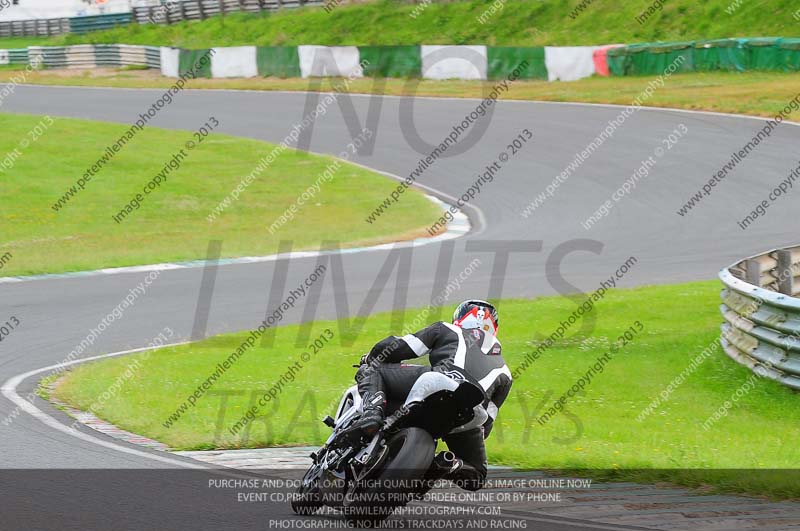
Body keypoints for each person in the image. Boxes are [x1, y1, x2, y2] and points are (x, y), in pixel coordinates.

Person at [353, 299, 512, 491]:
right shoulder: (506, 373)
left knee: (372, 370)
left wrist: (372, 357)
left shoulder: (447, 329)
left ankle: (372, 414)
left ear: (460, 318)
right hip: (469, 411)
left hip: (438, 381)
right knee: (476, 476)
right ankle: (446, 465)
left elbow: (399, 347)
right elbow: (486, 425)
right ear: (494, 328)